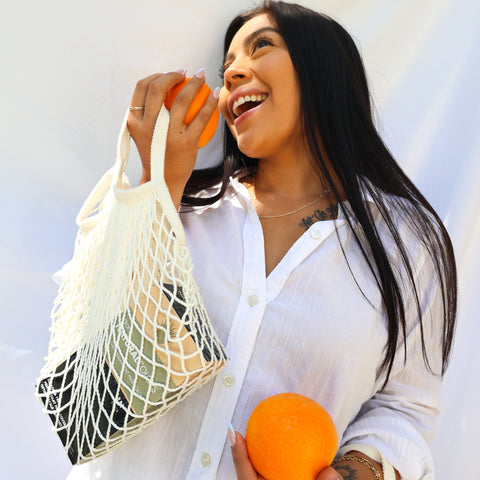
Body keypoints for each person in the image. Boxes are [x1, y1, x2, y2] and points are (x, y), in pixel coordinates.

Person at [66, 1, 457, 479]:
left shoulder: (406, 246)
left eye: (261, 46)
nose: (230, 75)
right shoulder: (184, 208)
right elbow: (94, 356)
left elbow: (405, 408)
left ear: (323, 69)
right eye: (225, 67)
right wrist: (159, 185)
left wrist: (357, 473)